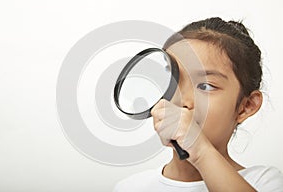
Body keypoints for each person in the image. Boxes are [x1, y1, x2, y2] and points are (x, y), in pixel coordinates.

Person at [113, 17, 283, 192]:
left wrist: (200, 152)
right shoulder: (129, 187)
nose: (181, 100)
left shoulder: (264, 182)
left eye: (206, 86)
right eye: (172, 80)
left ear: (246, 107)